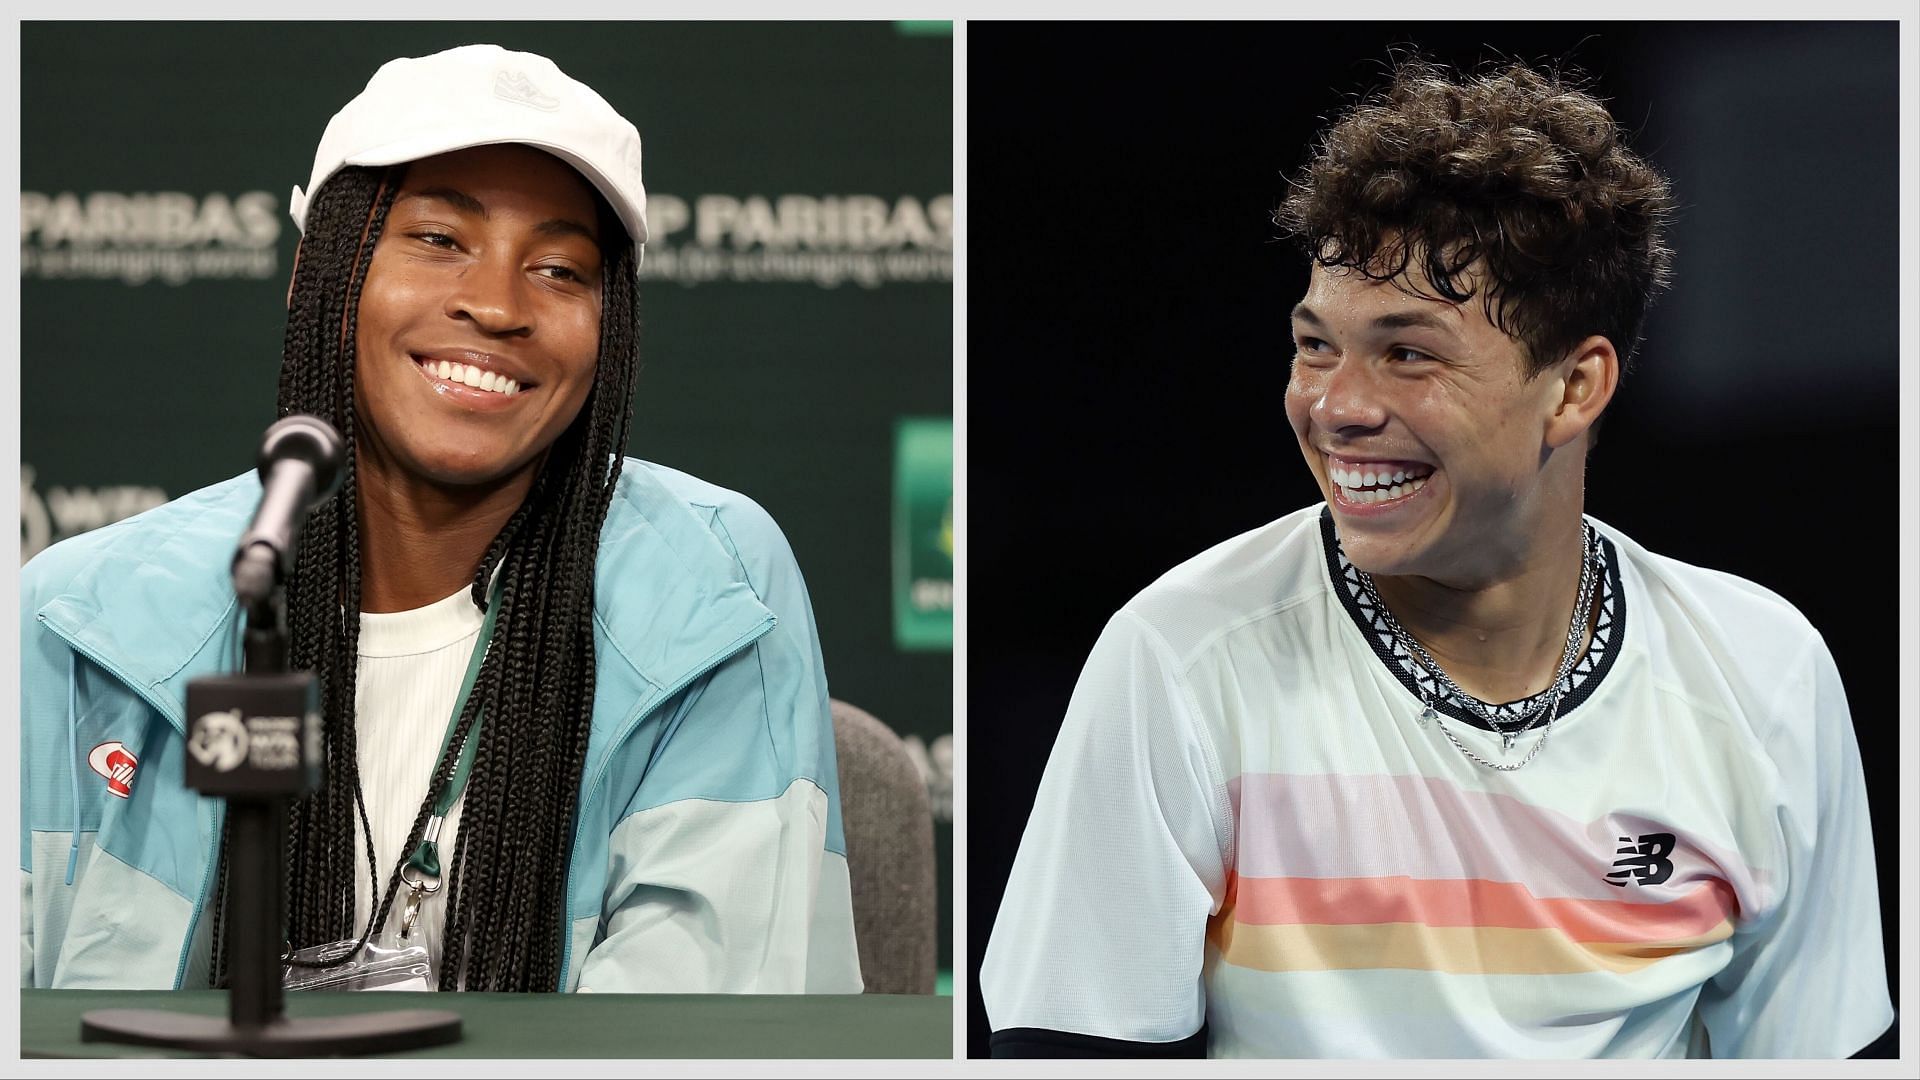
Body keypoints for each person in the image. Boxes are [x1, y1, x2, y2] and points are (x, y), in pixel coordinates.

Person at [979, 57, 1891, 1058]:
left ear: (1576, 386)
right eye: (1317, 345)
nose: (1336, 407)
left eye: (1408, 353)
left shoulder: (1764, 673)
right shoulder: (1182, 655)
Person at [21, 44, 862, 995]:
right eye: (438, 241)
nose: (497, 305)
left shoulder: (712, 590)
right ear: (319, 275)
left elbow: (698, 1044)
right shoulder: (76, 619)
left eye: (559, 269)